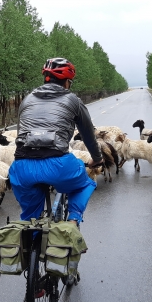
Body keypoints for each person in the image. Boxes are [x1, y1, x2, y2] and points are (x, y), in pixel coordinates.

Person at [9, 57, 104, 226]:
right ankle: (73, 221)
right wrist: (96, 159)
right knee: (85, 184)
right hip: (58, 165)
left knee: (31, 220)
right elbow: (87, 134)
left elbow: (20, 134)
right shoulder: (73, 100)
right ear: (67, 82)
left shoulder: (27, 100)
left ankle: (30, 243)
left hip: (22, 167)